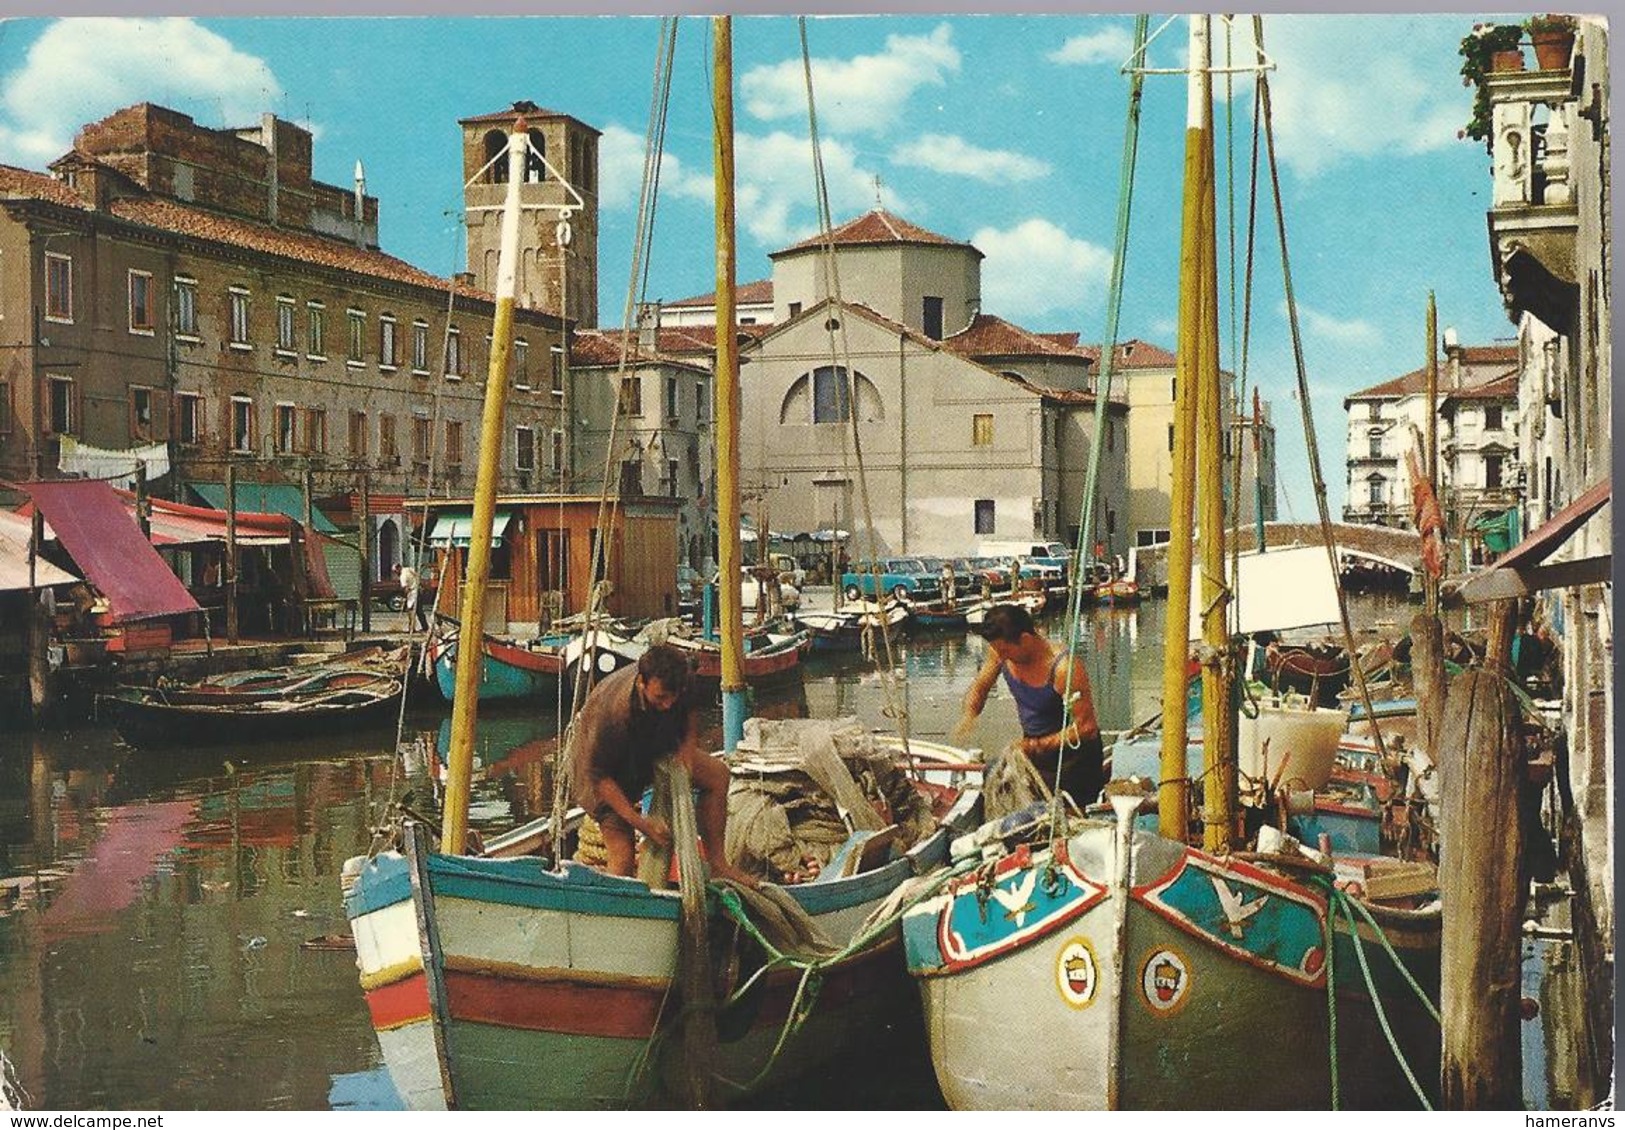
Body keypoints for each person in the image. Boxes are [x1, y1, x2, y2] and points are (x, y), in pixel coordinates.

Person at [569, 643, 756, 886]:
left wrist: (687, 755)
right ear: (641, 683)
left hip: (651, 744)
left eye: (672, 698)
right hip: (602, 773)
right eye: (660, 698)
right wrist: (643, 825)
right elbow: (601, 779)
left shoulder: (680, 679)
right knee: (623, 856)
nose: (668, 704)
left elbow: (689, 710)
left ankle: (718, 864)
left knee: (717, 775)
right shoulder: (612, 715)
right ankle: (618, 910)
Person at [954, 602, 1104, 806]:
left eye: (1005, 651)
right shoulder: (1000, 653)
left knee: (1058, 816)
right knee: (994, 777)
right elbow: (980, 687)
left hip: (1073, 760)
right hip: (1034, 753)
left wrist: (1034, 746)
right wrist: (970, 714)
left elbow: (1086, 728)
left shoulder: (1064, 669)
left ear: (1025, 639)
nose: (1001, 656)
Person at [398, 562, 427, 630]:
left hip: (412, 594)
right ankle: (424, 627)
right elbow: (417, 576)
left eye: (395, 571)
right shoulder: (409, 569)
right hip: (418, 591)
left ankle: (412, 627)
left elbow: (406, 588)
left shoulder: (403, 576)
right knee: (419, 611)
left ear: (398, 568)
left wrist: (405, 597)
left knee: (411, 610)